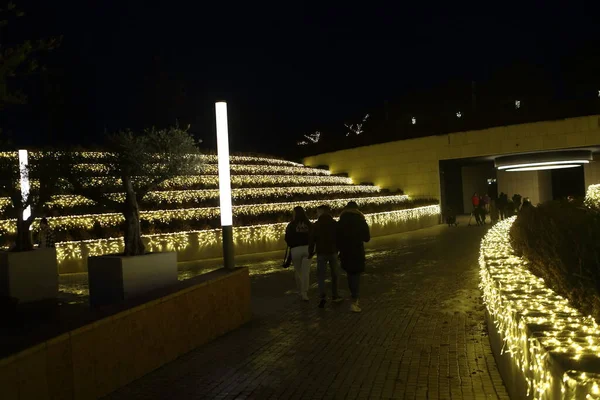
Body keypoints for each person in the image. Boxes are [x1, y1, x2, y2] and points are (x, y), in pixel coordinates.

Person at [337, 201, 370, 313]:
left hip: (345, 251)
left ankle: (353, 296)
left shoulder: (341, 221)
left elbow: (338, 237)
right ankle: (354, 299)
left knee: (350, 273)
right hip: (357, 250)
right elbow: (367, 237)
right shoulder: (360, 220)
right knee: (355, 274)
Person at [309, 205, 342, 308]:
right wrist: (340, 250)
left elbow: (312, 240)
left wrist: (311, 252)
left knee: (321, 275)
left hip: (321, 253)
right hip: (333, 252)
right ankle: (335, 295)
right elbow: (339, 238)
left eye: (318, 212)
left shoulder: (316, 225)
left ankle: (322, 295)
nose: (317, 214)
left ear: (322, 212)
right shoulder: (334, 224)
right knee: (335, 274)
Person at [285, 206, 312, 301]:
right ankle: (305, 293)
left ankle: (300, 291)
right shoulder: (309, 224)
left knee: (298, 271)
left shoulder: (291, 225)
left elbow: (287, 238)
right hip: (307, 249)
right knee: (306, 272)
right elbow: (313, 236)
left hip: (295, 249)